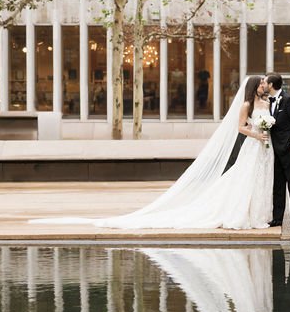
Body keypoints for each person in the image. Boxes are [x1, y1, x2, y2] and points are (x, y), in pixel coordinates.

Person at [31, 75, 274, 229]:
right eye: (262, 82)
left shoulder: (264, 103)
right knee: (244, 179)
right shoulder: (246, 105)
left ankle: (258, 214)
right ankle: (242, 214)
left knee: (257, 181)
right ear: (255, 86)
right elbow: (240, 128)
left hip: (262, 149)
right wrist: (257, 133)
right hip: (253, 145)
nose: (265, 85)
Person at [263, 73, 290, 228]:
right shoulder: (268, 101)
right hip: (274, 150)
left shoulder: (288, 100)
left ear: (271, 85)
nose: (263, 84)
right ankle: (277, 218)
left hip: (288, 150)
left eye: (265, 82)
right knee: (278, 184)